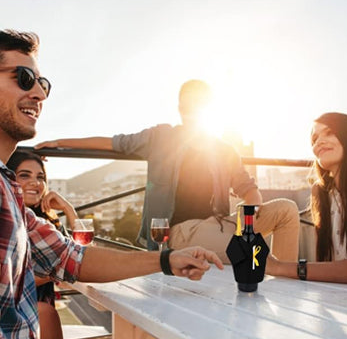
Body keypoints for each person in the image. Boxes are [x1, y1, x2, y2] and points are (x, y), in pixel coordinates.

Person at [0, 30, 223, 339]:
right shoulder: (162, 136)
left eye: (43, 84)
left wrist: (166, 259)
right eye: (24, 78)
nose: (39, 94)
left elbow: (71, 257)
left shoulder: (10, 194)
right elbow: (115, 144)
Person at [37, 79, 299, 263]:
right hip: (180, 232)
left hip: (222, 224)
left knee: (286, 210)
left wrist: (247, 226)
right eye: (187, 105)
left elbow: (251, 193)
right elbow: (113, 142)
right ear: (180, 109)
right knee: (254, 256)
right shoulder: (161, 137)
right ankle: (280, 273)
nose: (192, 110)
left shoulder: (224, 150)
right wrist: (61, 142)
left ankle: (285, 284)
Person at [265, 112, 347, 283]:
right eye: (314, 138)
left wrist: (278, 267)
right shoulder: (320, 192)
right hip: (333, 295)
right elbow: (324, 264)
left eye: (329, 132)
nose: (319, 142)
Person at [7, 150, 79, 339]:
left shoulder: (46, 222)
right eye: (24, 175)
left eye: (41, 177)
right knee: (46, 313)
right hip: (14, 309)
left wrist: (68, 210)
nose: (35, 183)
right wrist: (57, 270)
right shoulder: (7, 219)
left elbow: (81, 254)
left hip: (37, 306)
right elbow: (13, 278)